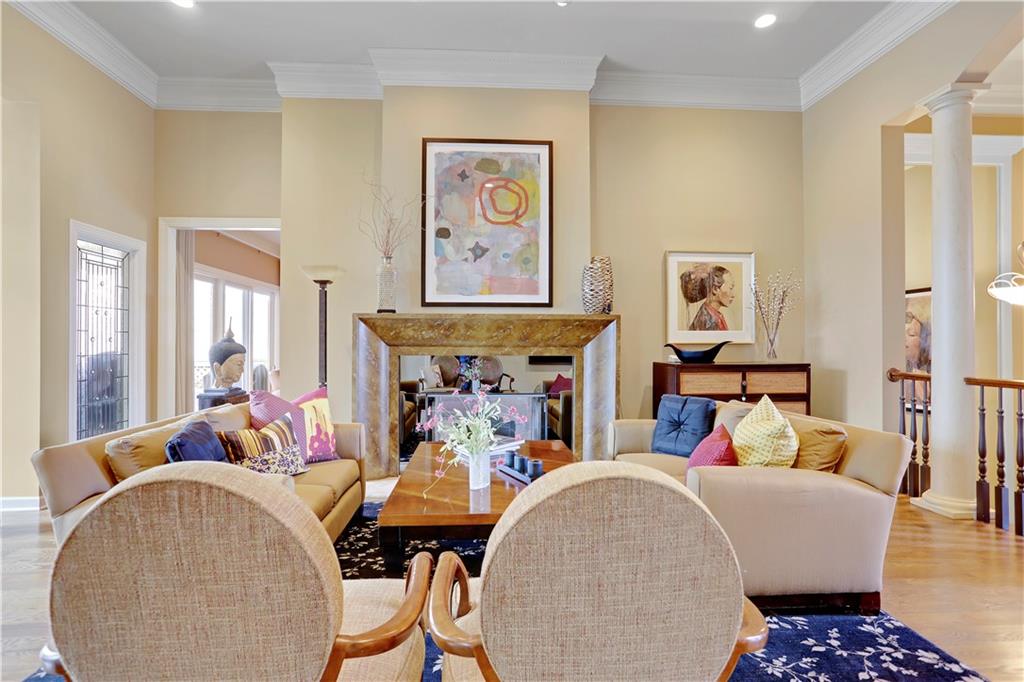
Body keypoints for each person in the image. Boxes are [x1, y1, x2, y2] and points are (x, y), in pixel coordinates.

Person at [683, 265, 736, 332]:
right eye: (730, 288)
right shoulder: (706, 321)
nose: (733, 295)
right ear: (715, 289)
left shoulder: (714, 315)